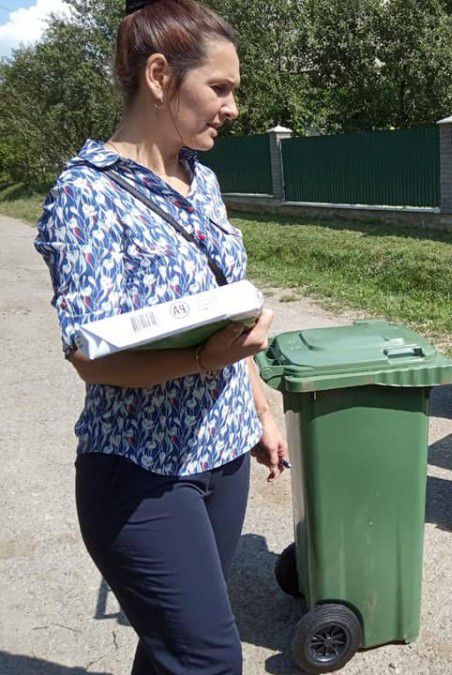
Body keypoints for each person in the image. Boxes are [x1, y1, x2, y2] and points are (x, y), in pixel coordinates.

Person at [33, 1, 287, 672]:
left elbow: (232, 306)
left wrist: (259, 408)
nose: (233, 106)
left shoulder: (202, 181)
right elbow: (92, 357)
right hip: (142, 476)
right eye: (221, 87)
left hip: (225, 457)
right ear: (158, 75)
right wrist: (204, 358)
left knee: (170, 646)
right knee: (207, 658)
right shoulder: (86, 195)